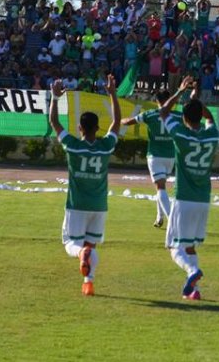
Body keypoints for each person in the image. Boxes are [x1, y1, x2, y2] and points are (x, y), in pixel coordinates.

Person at [48, 74, 121, 297]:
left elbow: (54, 122)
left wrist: (54, 98)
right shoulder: (106, 146)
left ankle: (81, 255)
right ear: (97, 128)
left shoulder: (72, 146)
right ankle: (88, 281)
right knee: (92, 245)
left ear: (80, 128)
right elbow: (117, 123)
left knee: (71, 244)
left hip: (77, 204)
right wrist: (113, 94)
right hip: (99, 205)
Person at [161, 76, 219, 300]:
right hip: (203, 199)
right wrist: (197, 103)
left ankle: (192, 271)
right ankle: (194, 290)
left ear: (184, 118)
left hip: (184, 199)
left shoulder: (181, 134)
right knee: (191, 246)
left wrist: (179, 92)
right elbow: (210, 118)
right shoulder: (211, 136)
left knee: (174, 248)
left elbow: (164, 112)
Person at [119, 89, 176, 228]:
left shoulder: (150, 114)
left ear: (156, 101)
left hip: (155, 155)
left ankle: (171, 221)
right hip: (170, 156)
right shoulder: (177, 116)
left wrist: (120, 120)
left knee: (160, 187)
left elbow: (129, 122)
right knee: (160, 187)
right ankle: (159, 217)